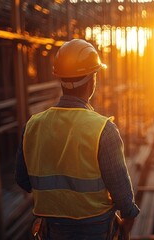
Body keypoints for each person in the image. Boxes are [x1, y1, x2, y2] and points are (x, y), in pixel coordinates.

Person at [15, 39, 139, 240]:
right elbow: (123, 197)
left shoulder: (32, 126)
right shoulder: (103, 130)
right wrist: (126, 224)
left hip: (52, 230)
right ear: (92, 80)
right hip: (96, 230)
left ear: (60, 79)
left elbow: (23, 181)